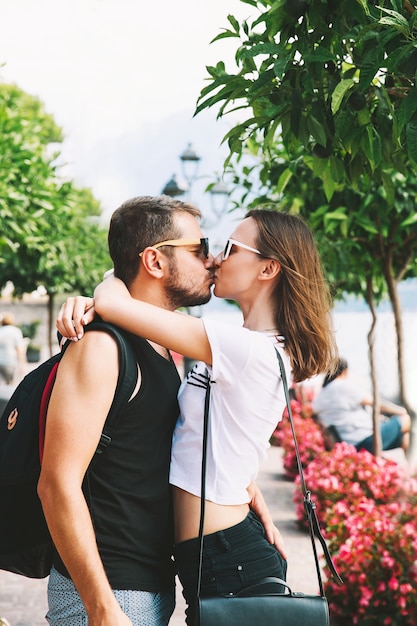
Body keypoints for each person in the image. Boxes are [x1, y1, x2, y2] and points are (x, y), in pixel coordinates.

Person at [58, 207, 337, 625]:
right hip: (212, 554)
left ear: (268, 268)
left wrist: (102, 289)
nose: (216, 259)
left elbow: (116, 304)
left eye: (229, 248)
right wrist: (250, 487)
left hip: (230, 561)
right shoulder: (242, 345)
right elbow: (216, 432)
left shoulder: (247, 350)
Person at [312, 357, 411, 454]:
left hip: (347, 446)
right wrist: (400, 410)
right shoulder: (342, 386)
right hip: (366, 441)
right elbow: (376, 403)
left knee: (402, 438)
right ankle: (409, 466)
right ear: (345, 371)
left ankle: (404, 464)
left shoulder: (319, 396)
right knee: (405, 420)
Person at [0, 313, 25, 385]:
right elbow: (19, 349)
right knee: (10, 385)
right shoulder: (15, 331)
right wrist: (22, 364)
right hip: (9, 361)